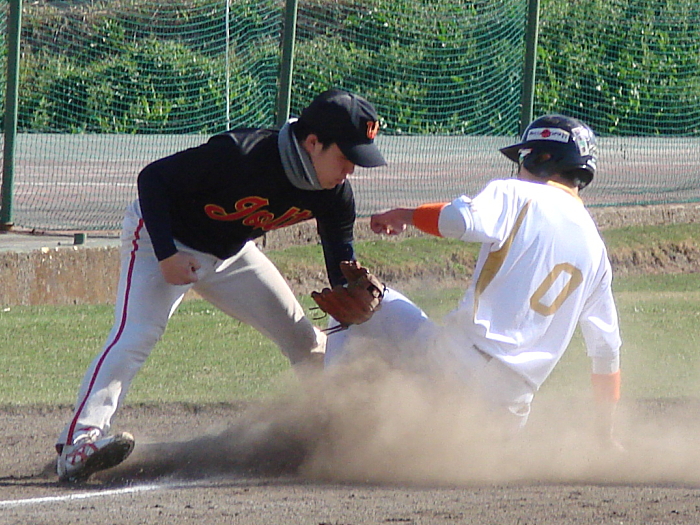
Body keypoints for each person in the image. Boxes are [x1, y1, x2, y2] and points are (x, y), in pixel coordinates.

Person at [55, 88, 387, 482]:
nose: (351, 170)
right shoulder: (241, 154)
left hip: (230, 253)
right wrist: (166, 255)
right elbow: (154, 179)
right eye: (346, 157)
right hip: (162, 239)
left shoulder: (335, 196)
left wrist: (350, 296)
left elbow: (339, 264)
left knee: (304, 341)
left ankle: (335, 432)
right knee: (137, 332)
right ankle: (79, 443)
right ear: (313, 143)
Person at [324, 115, 622, 446]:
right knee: (442, 456)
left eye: (523, 158)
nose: (519, 169)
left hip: (454, 368)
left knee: (359, 299)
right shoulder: (596, 251)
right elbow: (606, 351)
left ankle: (325, 423)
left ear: (540, 158)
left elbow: (459, 220)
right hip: (511, 408)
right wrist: (605, 437)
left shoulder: (517, 193)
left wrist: (405, 215)